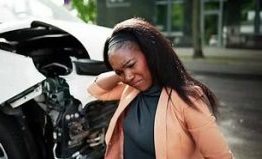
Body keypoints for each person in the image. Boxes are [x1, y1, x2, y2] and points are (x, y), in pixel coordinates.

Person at [87, 17, 233, 159]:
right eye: (120, 72)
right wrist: (121, 70)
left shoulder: (186, 100)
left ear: (151, 53)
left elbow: (221, 156)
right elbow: (96, 89)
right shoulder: (130, 90)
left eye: (131, 65)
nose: (128, 77)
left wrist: (123, 69)